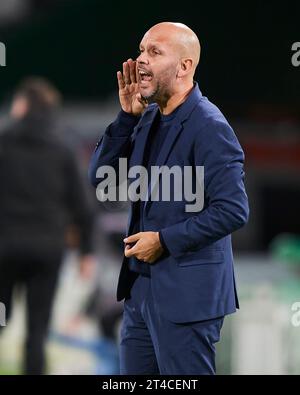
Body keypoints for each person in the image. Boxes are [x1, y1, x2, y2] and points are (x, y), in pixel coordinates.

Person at [89, 22, 249, 375]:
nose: (141, 60)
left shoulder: (210, 125)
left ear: (184, 67)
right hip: (140, 292)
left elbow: (233, 210)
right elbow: (101, 182)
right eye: (142, 49)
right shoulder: (146, 119)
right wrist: (125, 120)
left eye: (154, 52)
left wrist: (164, 241)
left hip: (187, 297)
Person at [0, 77, 95, 374]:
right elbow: (84, 207)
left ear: (24, 105)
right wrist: (86, 252)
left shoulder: (3, 143)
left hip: (4, 248)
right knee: (38, 330)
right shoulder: (63, 149)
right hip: (47, 250)